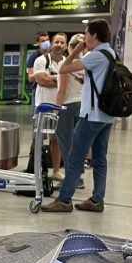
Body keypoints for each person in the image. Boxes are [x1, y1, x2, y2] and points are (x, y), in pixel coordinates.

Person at [43, 19, 115, 214]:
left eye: (86, 34)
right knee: (99, 158)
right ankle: (97, 199)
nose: (85, 38)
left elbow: (64, 68)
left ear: (93, 35)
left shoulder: (96, 55)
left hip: (91, 115)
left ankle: (64, 200)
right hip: (106, 115)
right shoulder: (111, 53)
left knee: (75, 156)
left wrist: (76, 50)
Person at [31, 32, 68, 181]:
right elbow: (41, 81)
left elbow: (69, 83)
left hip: (59, 107)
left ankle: (56, 170)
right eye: (56, 42)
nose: (58, 45)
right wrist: (60, 80)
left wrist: (51, 78)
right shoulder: (41, 60)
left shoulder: (67, 62)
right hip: (42, 106)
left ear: (65, 46)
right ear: (52, 44)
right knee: (38, 138)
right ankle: (35, 169)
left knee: (56, 140)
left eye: (62, 43)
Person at [55, 33, 87, 187]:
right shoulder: (83, 64)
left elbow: (62, 91)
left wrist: (56, 110)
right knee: (78, 143)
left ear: (70, 47)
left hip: (67, 106)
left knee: (66, 144)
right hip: (81, 106)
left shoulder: (66, 66)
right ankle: (79, 176)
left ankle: (71, 178)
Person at [26, 30, 51, 110]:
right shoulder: (34, 56)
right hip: (38, 89)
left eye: (47, 40)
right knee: (37, 113)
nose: (45, 43)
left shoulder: (54, 55)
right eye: (43, 41)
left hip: (52, 88)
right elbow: (30, 77)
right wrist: (40, 75)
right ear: (38, 43)